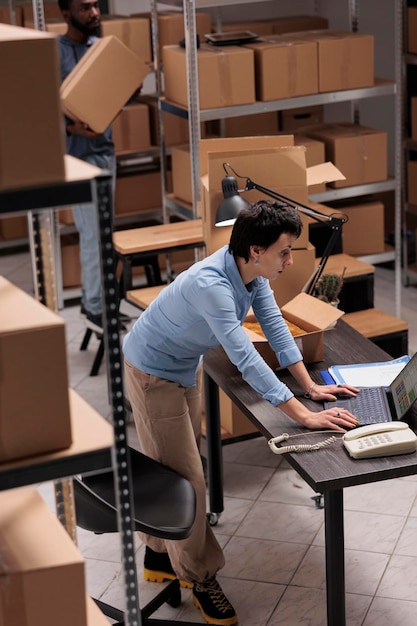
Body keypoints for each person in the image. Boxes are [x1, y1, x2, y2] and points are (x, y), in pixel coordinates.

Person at [122, 200, 359, 625]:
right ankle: (199, 576)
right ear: (255, 250)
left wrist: (309, 387)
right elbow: (246, 357)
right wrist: (301, 417)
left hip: (181, 366)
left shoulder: (251, 275)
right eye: (284, 251)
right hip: (151, 372)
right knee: (188, 481)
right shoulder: (211, 283)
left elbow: (274, 328)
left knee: (174, 467)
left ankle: (158, 557)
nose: (289, 260)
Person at [57, 0, 116, 334]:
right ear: (66, 14)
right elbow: (37, 107)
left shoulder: (101, 50)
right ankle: (93, 307)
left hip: (106, 151)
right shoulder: (54, 53)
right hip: (77, 157)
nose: (94, 13)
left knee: (105, 235)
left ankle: (100, 301)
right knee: (92, 234)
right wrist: (69, 128)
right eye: (84, 8)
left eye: (96, 5)